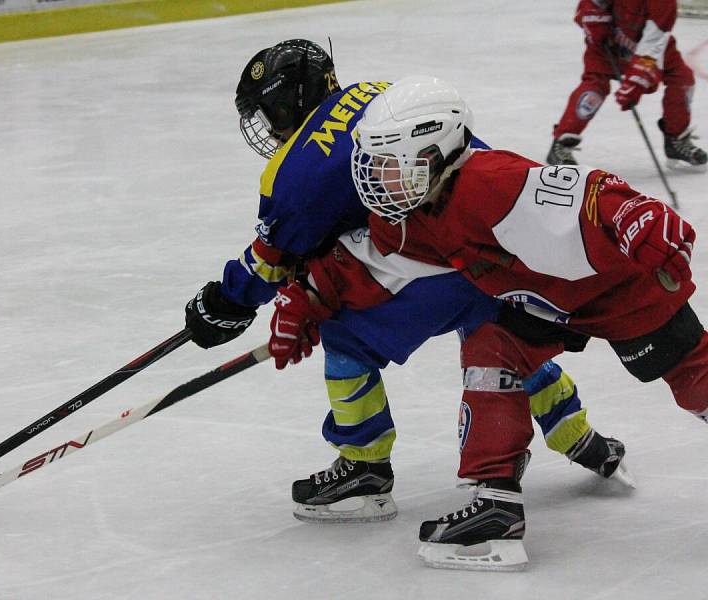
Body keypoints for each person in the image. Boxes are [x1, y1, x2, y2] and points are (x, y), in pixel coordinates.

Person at [183, 40, 630, 527]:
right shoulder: (371, 92)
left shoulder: (289, 173)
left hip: (433, 248)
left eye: (270, 111)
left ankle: (364, 469)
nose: (270, 127)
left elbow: (270, 263)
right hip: (495, 236)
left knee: (346, 334)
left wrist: (224, 302)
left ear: (290, 100)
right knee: (495, 334)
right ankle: (579, 437)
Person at [269, 74, 706, 570]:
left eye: (390, 166)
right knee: (489, 348)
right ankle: (496, 505)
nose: (377, 179)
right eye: (372, 164)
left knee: (695, 383)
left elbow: (583, 191)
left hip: (619, 290)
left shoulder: (491, 182)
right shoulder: (421, 213)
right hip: (541, 305)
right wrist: (305, 297)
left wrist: (634, 213)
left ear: (434, 155)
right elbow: (375, 260)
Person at [547, 0, 707, 168]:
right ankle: (562, 143)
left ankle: (676, 138)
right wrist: (593, 17)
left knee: (682, 79)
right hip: (610, 36)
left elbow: (654, 42)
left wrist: (636, 80)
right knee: (595, 86)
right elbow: (590, 4)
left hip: (646, 43)